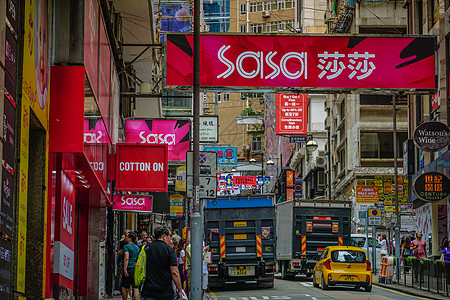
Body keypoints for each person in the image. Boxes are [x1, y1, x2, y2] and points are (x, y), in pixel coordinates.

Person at [141, 225, 183, 300]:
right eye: (169, 236)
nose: (170, 238)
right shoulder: (169, 251)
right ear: (164, 236)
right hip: (165, 292)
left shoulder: (147, 248)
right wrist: (179, 289)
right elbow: (174, 272)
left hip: (148, 291)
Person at [122, 232, 141, 300]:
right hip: (135, 268)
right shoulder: (137, 247)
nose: (125, 238)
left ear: (130, 238)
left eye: (127, 237)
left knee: (124, 286)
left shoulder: (126, 246)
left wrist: (125, 269)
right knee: (135, 287)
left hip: (129, 267)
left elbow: (126, 258)